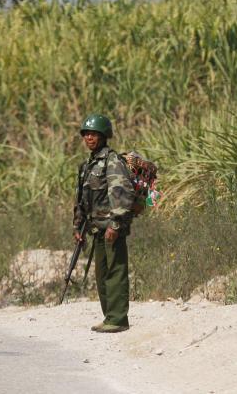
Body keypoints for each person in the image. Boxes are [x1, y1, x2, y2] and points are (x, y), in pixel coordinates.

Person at [73, 114, 136, 333]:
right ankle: (110, 316)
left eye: (94, 134)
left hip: (112, 228)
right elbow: (82, 199)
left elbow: (123, 193)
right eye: (87, 134)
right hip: (96, 228)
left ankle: (118, 319)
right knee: (101, 275)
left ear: (103, 136)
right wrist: (78, 226)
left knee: (115, 272)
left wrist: (115, 224)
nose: (89, 138)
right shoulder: (88, 165)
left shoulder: (112, 160)